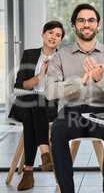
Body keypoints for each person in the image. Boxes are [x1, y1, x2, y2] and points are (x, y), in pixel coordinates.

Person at [45, 3, 104, 193]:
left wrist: (101, 80)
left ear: (98, 25)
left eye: (91, 20)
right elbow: (50, 92)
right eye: (81, 20)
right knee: (57, 131)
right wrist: (78, 82)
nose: (86, 24)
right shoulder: (61, 56)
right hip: (71, 112)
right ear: (74, 25)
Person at [8, 20, 65, 191]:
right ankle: (45, 153)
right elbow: (20, 86)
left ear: (61, 40)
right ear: (43, 34)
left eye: (58, 35)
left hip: (50, 107)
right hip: (26, 102)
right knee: (34, 104)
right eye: (50, 33)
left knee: (35, 109)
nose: (53, 37)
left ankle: (28, 172)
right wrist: (39, 77)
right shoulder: (29, 54)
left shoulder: (62, 59)